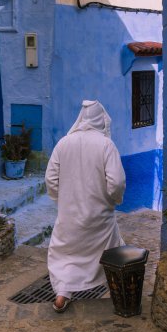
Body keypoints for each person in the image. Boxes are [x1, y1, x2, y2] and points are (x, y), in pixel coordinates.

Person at [45, 100, 126, 313]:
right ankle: (117, 289)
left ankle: (62, 295)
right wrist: (113, 200)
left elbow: (50, 179)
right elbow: (116, 182)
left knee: (66, 256)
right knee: (111, 250)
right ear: (101, 120)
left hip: (69, 218)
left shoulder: (63, 143)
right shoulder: (106, 145)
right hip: (99, 217)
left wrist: (61, 201)